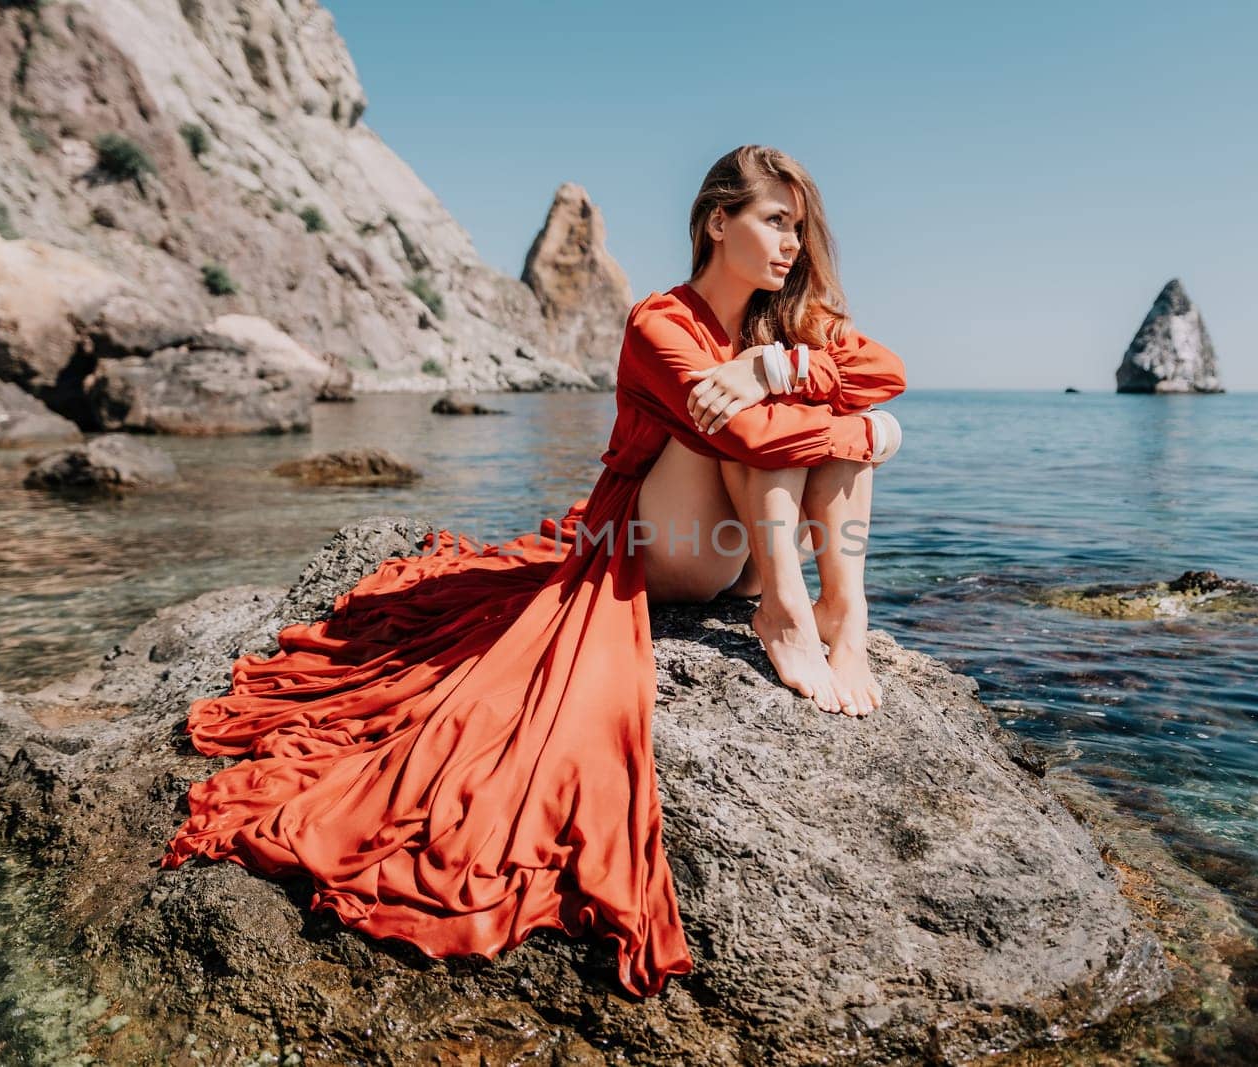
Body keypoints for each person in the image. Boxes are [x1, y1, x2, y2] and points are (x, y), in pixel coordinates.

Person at [159, 145, 907, 1000]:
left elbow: (889, 368)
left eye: (798, 228)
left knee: (805, 398)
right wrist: (874, 433)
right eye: (774, 221)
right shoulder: (659, 321)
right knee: (783, 421)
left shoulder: (779, 325)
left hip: (737, 544)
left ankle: (842, 613)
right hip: (668, 550)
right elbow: (755, 442)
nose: (789, 245)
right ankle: (784, 611)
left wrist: (772, 365)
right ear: (716, 222)